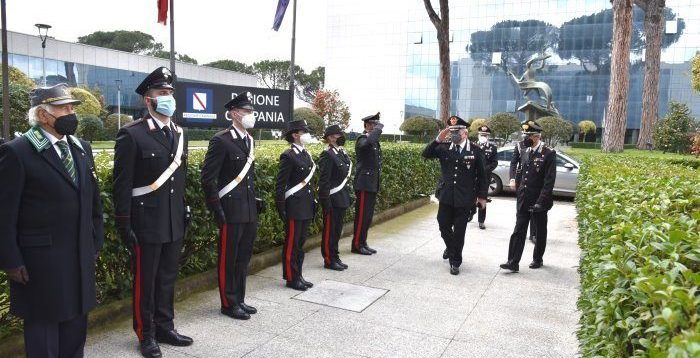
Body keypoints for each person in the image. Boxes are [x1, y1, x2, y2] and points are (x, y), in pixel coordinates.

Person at [0, 84, 104, 358]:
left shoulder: (81, 148)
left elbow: (93, 200)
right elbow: (5, 212)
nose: (71, 113)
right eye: (64, 108)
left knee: (75, 330)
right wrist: (10, 259)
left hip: (78, 255)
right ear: (43, 115)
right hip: (40, 261)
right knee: (44, 333)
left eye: (72, 107)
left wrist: (95, 240)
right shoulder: (18, 152)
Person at [112, 67, 193, 358]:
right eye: (162, 93)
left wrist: (183, 209)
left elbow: (179, 180)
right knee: (145, 281)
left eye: (170, 93)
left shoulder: (179, 133)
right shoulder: (131, 135)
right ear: (148, 100)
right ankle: (145, 334)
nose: (168, 97)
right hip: (145, 221)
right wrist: (124, 223)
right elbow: (121, 185)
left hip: (172, 220)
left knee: (168, 277)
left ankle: (165, 326)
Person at [200, 92, 260, 320]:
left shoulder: (250, 140)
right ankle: (228, 302)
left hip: (248, 210)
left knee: (243, 257)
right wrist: (217, 209)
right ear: (234, 113)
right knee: (229, 258)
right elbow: (208, 179)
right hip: (230, 210)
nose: (250, 115)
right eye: (246, 112)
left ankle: (240, 299)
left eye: (251, 112)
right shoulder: (221, 140)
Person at [422, 116, 488, 275]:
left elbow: (482, 175)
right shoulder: (444, 147)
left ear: (464, 133)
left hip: (465, 198)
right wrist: (438, 139)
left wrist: (482, 197)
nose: (453, 134)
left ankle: (455, 261)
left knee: (459, 231)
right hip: (446, 196)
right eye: (451, 131)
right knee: (443, 225)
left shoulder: (475, 150)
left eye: (456, 131)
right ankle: (452, 248)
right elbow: (426, 154)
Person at [501, 120, 556, 272]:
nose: (525, 138)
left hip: (540, 200)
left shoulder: (548, 153)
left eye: (529, 135)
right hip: (524, 197)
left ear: (537, 136)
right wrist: (516, 186)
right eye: (524, 134)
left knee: (539, 231)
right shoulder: (525, 149)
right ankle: (512, 261)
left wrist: (540, 202)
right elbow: (521, 171)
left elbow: (549, 182)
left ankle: (538, 258)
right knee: (519, 229)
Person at [276, 119, 316, 291]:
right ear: (295, 135)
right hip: (294, 205)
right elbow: (280, 184)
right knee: (292, 243)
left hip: (305, 205)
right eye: (304, 131)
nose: (307, 134)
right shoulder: (288, 155)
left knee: (300, 243)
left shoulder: (306, 154)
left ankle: (298, 274)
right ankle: (291, 278)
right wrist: (281, 207)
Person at [318, 125, 352, 271]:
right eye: (338, 135)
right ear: (331, 137)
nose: (341, 137)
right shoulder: (327, 154)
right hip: (332, 198)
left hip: (341, 197)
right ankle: (328, 258)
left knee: (337, 230)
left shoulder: (341, 152)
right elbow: (324, 180)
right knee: (330, 231)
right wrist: (325, 202)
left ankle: (335, 256)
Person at [352, 112, 383, 255]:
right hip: (363, 183)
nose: (375, 127)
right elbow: (367, 144)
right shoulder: (361, 139)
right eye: (372, 124)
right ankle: (357, 244)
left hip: (371, 182)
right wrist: (376, 131)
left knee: (368, 216)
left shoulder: (374, 141)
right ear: (366, 125)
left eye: (376, 125)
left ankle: (363, 242)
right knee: (361, 216)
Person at [509, 137, 537, 242]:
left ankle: (533, 234)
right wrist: (512, 178)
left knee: (533, 208)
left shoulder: (540, 146)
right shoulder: (520, 145)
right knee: (520, 207)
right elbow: (513, 163)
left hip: (533, 179)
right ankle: (519, 230)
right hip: (521, 179)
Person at [476, 125, 498, 230]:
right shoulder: (473, 145)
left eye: (485, 135)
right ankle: (470, 212)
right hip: (472, 177)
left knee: (482, 198)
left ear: (488, 136)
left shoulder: (492, 148)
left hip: (485, 178)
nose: (483, 136)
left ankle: (481, 221)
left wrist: (485, 169)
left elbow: (495, 162)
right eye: (481, 134)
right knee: (469, 197)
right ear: (478, 135)